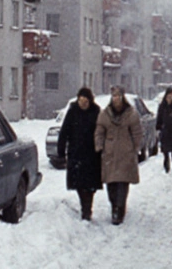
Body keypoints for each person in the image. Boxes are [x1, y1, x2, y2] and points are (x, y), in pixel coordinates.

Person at [95, 85, 143, 225]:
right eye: (114, 96)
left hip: (125, 153)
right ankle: (114, 205)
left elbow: (137, 133)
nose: (116, 99)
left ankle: (119, 210)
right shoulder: (105, 114)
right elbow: (99, 131)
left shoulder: (131, 114)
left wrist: (135, 147)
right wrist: (99, 146)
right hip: (109, 154)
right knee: (111, 184)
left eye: (118, 96)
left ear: (123, 98)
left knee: (122, 183)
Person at [57, 87, 103, 220]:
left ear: (90, 100)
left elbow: (102, 131)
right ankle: (85, 209)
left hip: (92, 154)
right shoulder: (73, 112)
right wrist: (61, 151)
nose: (83, 103)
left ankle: (88, 207)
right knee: (79, 184)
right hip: (76, 153)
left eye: (85, 100)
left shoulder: (96, 112)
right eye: (80, 100)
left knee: (91, 184)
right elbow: (64, 131)